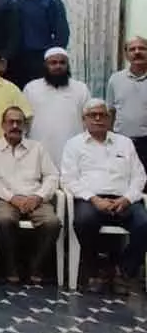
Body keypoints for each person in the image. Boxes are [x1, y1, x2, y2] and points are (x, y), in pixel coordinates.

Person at [61, 98, 147, 295]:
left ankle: (123, 271)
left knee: (144, 224)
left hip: (124, 200)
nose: (98, 119)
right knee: (83, 221)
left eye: (103, 115)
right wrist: (94, 199)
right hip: (90, 200)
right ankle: (95, 270)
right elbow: (69, 179)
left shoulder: (125, 143)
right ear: (84, 120)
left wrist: (126, 199)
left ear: (110, 119)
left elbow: (139, 176)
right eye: (93, 115)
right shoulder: (74, 145)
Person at [0, 106, 60, 285]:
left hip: (35, 198)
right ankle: (11, 268)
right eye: (10, 122)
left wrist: (38, 197)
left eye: (19, 122)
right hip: (7, 199)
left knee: (52, 223)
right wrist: (11, 197)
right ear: (3, 125)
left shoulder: (38, 148)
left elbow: (52, 176)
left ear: (25, 126)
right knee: (4, 220)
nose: (15, 126)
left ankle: (35, 267)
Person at [24, 48, 90, 165]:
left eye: (62, 63)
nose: (58, 66)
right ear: (45, 65)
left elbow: (88, 120)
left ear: (68, 65)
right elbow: (24, 122)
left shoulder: (81, 88)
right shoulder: (31, 88)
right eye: (53, 63)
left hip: (74, 151)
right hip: (38, 150)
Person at [10, 0, 69, 88]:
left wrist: (53, 59)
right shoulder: (11, 0)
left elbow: (62, 33)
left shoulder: (51, 1)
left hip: (41, 60)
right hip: (14, 60)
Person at [106, 36, 147, 177]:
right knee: (122, 180)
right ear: (126, 55)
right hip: (121, 141)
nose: (137, 52)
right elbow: (110, 111)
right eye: (132, 49)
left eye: (142, 48)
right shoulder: (115, 79)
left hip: (146, 142)